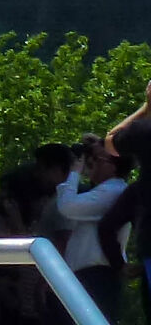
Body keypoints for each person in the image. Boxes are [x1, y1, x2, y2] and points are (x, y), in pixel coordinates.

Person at [55, 134, 132, 317]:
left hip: (98, 277)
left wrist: (74, 171)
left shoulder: (113, 191)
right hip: (89, 275)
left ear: (112, 166)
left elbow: (67, 206)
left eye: (95, 160)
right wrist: (97, 145)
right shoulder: (106, 190)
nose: (90, 163)